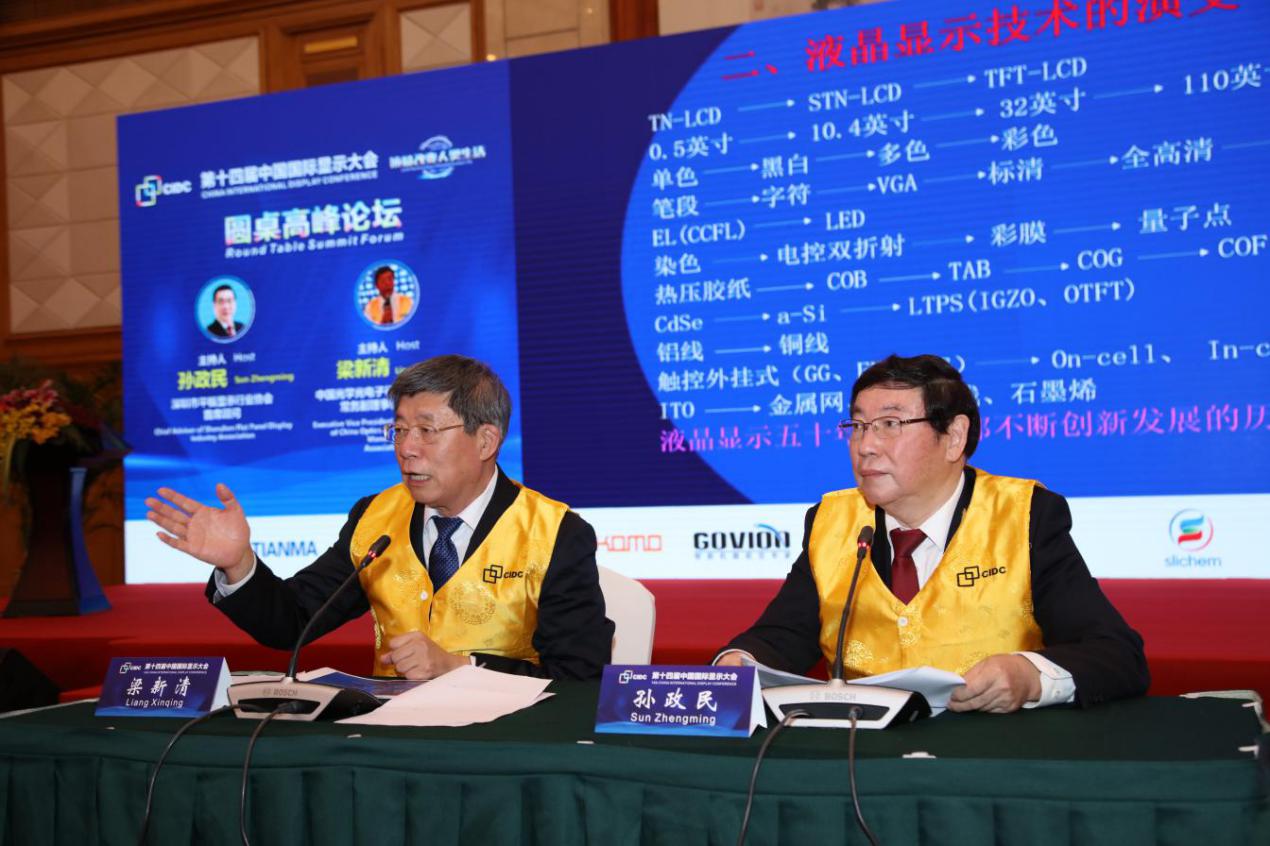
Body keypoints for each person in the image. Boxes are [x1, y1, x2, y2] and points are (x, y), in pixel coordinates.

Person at [717, 354, 1149, 712]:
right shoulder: (831, 522)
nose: (865, 446)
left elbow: (1115, 654)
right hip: (859, 759)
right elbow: (783, 636)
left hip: (991, 759)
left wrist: (1029, 676)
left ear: (954, 437)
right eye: (858, 426)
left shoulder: (1025, 516)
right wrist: (739, 661)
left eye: (890, 424)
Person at [146, 354, 613, 680]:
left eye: (427, 431)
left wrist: (462, 668)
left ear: (486, 441)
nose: (407, 448)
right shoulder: (375, 517)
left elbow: (579, 676)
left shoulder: (554, 532)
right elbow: (292, 622)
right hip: (387, 747)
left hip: (504, 752)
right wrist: (239, 564)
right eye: (399, 430)